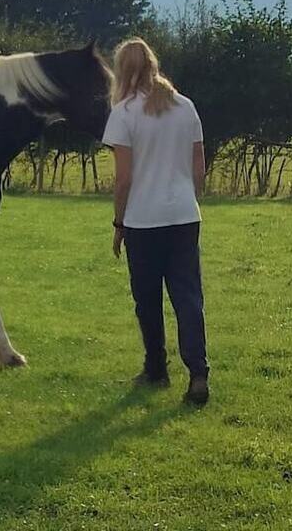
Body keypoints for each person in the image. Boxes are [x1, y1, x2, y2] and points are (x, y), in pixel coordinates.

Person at [101, 37, 210, 405]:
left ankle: (156, 368)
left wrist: (118, 224)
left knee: (147, 300)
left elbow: (124, 179)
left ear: (122, 71)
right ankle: (197, 373)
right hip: (183, 216)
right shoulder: (186, 107)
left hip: (143, 221)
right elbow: (199, 169)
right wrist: (187, 201)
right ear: (153, 65)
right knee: (188, 298)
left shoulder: (124, 113)